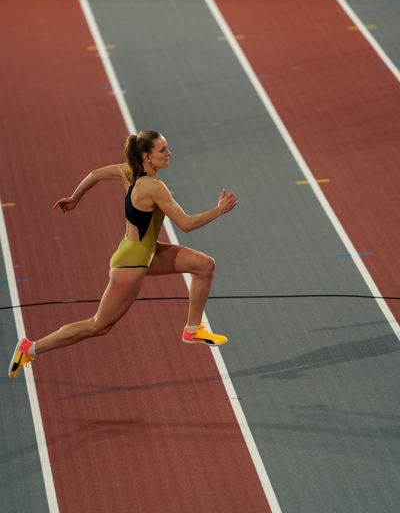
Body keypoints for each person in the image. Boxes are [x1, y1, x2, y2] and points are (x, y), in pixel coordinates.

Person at [9, 130, 237, 378]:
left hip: (145, 252)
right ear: (147, 157)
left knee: (204, 266)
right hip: (131, 263)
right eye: (163, 150)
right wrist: (218, 210)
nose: (168, 153)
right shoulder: (153, 187)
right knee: (99, 325)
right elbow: (186, 224)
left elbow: (95, 175)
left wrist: (75, 198)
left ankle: (192, 329)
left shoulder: (129, 171)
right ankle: (30, 348)